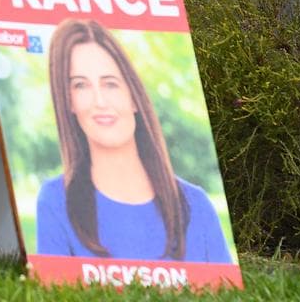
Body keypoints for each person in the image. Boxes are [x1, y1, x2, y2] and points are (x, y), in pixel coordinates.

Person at [36, 19, 231, 262]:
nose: (100, 101)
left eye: (110, 84)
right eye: (80, 85)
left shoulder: (196, 205)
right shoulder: (56, 201)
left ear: (134, 97)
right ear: (69, 103)